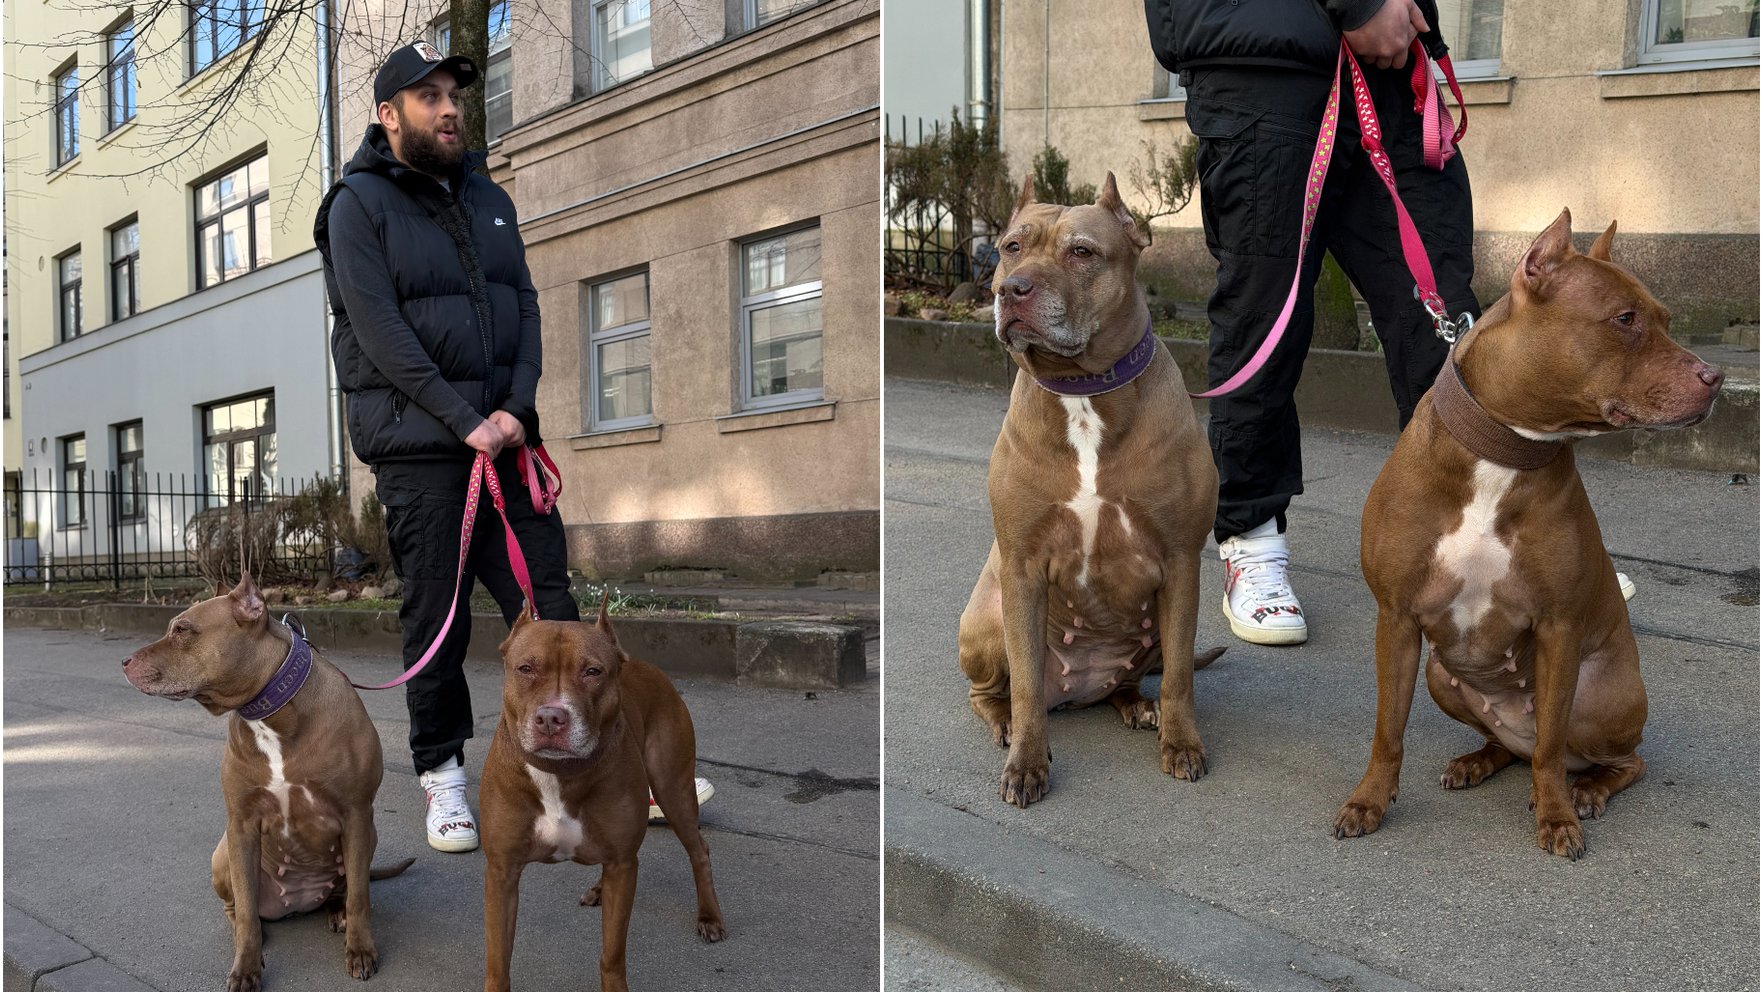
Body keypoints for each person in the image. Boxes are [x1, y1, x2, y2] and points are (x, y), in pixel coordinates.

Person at [1144, 0, 1482, 646]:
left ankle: (1495, 527)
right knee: (1263, 316)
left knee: (1440, 311)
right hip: (1264, 66)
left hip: (1387, 68)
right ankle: (1252, 537)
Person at [312, 41, 580, 852]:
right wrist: (465, 420)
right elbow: (380, 330)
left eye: (454, 93)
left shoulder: (489, 199)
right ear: (388, 115)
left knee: (555, 614)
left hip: (506, 443)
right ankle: (444, 778)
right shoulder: (356, 206)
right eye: (427, 96)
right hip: (424, 452)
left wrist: (515, 410)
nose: (450, 106)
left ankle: (588, 766)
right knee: (439, 618)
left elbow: (524, 307)